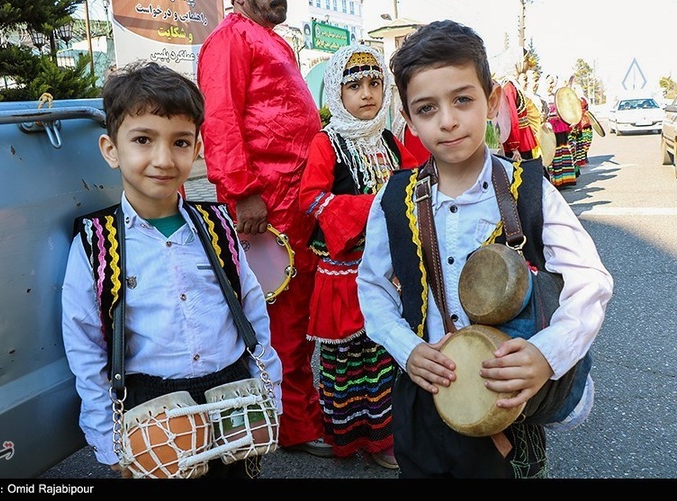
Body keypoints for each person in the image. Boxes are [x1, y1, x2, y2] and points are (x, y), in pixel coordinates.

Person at [356, 20, 614, 478]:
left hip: (507, 410)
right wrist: (406, 348)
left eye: (462, 100)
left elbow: (590, 280)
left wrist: (546, 356)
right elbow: (372, 286)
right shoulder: (393, 199)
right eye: (427, 108)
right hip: (422, 403)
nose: (448, 120)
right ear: (409, 120)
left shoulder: (529, 189)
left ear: (491, 101)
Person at [61, 61, 283, 479]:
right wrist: (110, 445)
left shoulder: (219, 227)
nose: (163, 159)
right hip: (150, 410)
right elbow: (85, 346)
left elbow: (253, 311)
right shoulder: (95, 242)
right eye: (143, 139)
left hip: (233, 394)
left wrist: (272, 393)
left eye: (180, 142)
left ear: (197, 149)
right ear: (111, 149)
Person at [197, 0, 330, 457]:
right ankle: (294, 425)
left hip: (297, 203)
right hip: (267, 207)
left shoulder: (270, 39)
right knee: (283, 320)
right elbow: (220, 120)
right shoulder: (229, 39)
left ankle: (298, 414)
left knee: (300, 316)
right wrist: (242, 191)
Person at [298, 44, 419, 470]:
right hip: (344, 271)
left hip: (387, 272)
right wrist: (372, 208)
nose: (366, 94)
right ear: (337, 92)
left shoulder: (389, 140)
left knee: (385, 356)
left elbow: (410, 189)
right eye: (354, 86)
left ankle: (384, 439)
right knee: (345, 361)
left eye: (374, 83)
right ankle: (346, 437)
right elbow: (311, 199)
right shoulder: (325, 143)